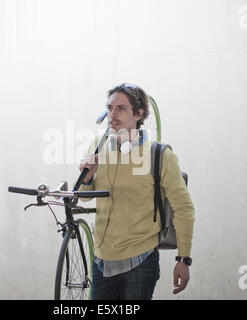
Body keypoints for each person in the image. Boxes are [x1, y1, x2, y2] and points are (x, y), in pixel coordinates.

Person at [78, 83, 195, 300]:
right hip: (101, 261)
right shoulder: (97, 145)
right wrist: (86, 177)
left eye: (121, 108)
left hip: (140, 263)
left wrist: (183, 259)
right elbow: (86, 197)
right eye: (110, 108)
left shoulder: (159, 155)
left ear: (139, 114)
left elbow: (184, 208)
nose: (113, 114)